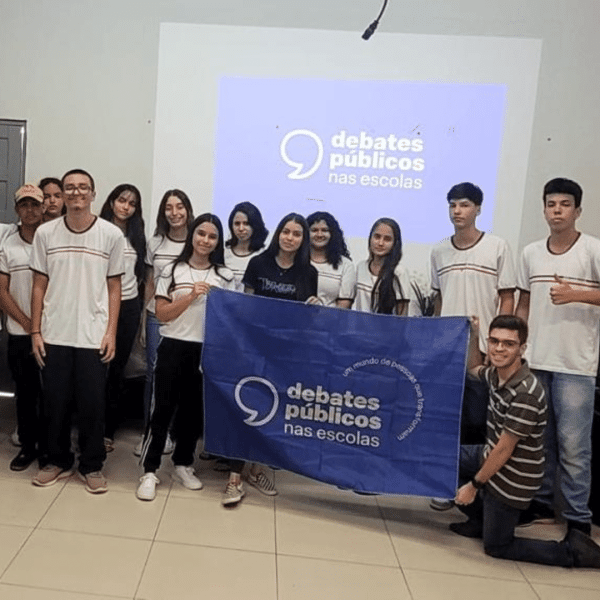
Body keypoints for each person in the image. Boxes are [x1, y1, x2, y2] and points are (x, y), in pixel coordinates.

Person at [449, 314, 600, 568]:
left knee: (497, 546)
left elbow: (504, 450)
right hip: (491, 457)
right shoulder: (497, 375)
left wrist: (473, 486)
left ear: (522, 348)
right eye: (494, 341)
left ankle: (572, 552)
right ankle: (479, 520)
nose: (499, 348)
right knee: (445, 458)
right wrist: (474, 335)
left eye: (508, 344)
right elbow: (474, 369)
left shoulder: (526, 393)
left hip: (513, 478)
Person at [30, 169, 124, 493]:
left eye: (82, 187)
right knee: (54, 402)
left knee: (92, 403)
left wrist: (111, 332)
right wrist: (35, 331)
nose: (75, 193)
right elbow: (39, 284)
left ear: (93, 194)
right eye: (69, 188)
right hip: (54, 332)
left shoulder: (111, 235)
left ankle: (92, 464)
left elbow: (114, 287)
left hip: (93, 335)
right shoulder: (46, 234)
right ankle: (56, 460)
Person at [516, 177, 600, 535]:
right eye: (551, 204)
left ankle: (578, 519)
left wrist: (577, 295)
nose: (557, 211)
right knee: (539, 441)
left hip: (577, 365)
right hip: (537, 360)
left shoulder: (593, 250)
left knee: (574, 447)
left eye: (565, 204)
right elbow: (523, 302)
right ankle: (543, 505)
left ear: (578, 211)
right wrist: (517, 348)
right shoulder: (531, 252)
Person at [136, 214, 235, 501]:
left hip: (206, 350)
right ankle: (150, 469)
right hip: (174, 345)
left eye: (212, 236)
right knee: (162, 410)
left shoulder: (225, 276)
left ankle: (183, 463)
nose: (206, 240)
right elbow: (162, 313)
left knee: (193, 412)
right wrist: (190, 296)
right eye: (201, 233)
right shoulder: (172, 270)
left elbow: (231, 319)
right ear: (192, 235)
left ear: (218, 242)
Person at [429, 182, 516, 510]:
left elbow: (507, 296)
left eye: (464, 205)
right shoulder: (439, 251)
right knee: (446, 419)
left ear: (478, 209)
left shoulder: (496, 246)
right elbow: (438, 299)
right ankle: (443, 485)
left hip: (484, 353)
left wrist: (501, 345)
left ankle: (475, 491)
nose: (457, 211)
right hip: (448, 351)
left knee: (479, 422)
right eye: (452, 204)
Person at [136, 189, 194, 457]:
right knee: (154, 374)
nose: (175, 213)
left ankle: (172, 432)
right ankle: (151, 432)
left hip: (189, 318)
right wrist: (142, 319)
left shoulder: (197, 240)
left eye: (179, 206)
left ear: (188, 209)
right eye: (168, 208)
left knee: (182, 377)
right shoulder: (155, 242)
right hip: (156, 315)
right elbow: (149, 282)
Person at [0, 184, 45, 471]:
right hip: (19, 333)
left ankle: (51, 449)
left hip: (52, 334)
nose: (30, 210)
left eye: (35, 205)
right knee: (26, 394)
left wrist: (41, 327)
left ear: (43, 208)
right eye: (24, 205)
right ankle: (28, 448)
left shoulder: (52, 240)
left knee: (54, 395)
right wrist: (29, 325)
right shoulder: (7, 244)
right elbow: (2, 291)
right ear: (17, 210)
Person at [99, 184, 146, 451]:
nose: (125, 206)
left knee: (116, 370)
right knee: (94, 369)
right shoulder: (97, 230)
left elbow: (140, 278)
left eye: (132, 203)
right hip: (99, 306)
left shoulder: (137, 238)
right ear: (112, 202)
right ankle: (88, 427)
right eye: (121, 200)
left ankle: (107, 431)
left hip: (128, 307)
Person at [353, 217, 409, 315]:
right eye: (377, 237)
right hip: (360, 328)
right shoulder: (360, 267)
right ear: (370, 238)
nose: (380, 243)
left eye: (387, 239)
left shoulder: (399, 272)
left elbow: (402, 313)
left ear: (395, 243)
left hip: (386, 329)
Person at [307, 211, 356, 308]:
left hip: (330, 321)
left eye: (325, 230)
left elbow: (343, 308)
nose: (319, 234)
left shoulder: (346, 265)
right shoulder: (297, 259)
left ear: (333, 233)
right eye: (314, 230)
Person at [224, 201, 269, 291]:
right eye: (237, 223)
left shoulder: (264, 255)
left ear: (255, 225)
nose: (241, 228)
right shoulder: (223, 253)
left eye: (246, 224)